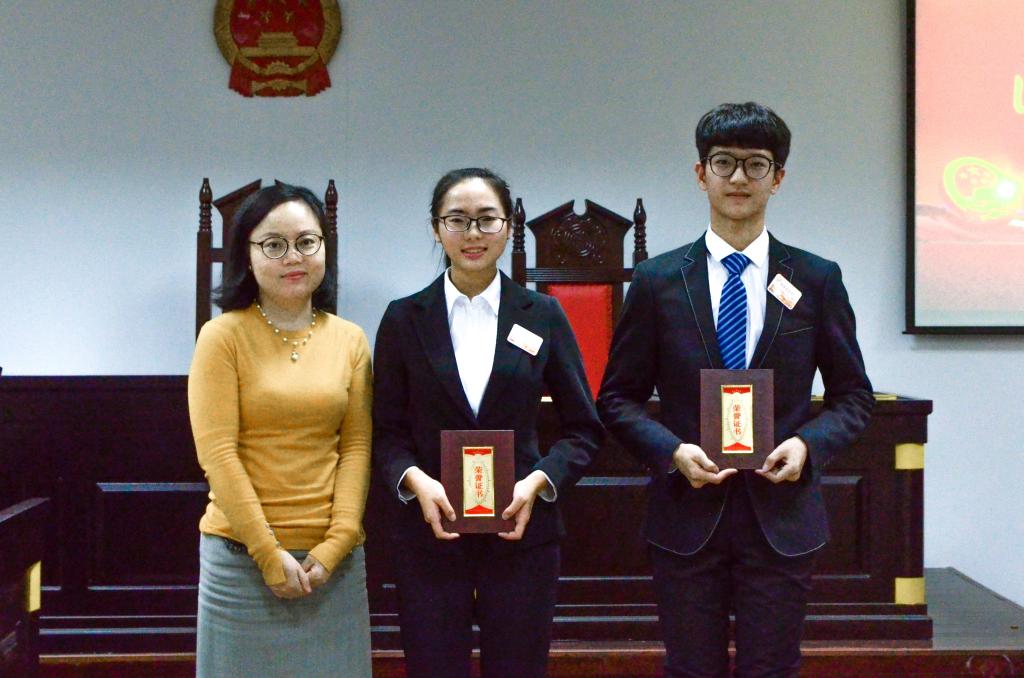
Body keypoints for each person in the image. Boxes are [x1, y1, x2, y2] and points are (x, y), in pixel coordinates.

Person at [597, 102, 873, 677]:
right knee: (690, 670)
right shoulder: (657, 281)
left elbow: (852, 396)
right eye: (724, 162)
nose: (739, 177)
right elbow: (617, 399)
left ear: (779, 177)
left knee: (771, 670)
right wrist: (673, 451)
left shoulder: (816, 278)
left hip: (781, 517)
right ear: (701, 174)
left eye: (756, 164)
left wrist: (807, 445)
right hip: (686, 514)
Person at [372, 167, 604, 678]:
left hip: (522, 535)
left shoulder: (542, 314)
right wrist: (414, 481)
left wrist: (540, 481)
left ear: (508, 227)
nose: (472, 233)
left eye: (486, 219)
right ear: (436, 228)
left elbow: (584, 429)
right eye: (457, 220)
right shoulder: (404, 318)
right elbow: (384, 433)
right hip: (430, 536)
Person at [188, 183, 372, 677]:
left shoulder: (350, 340)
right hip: (241, 561)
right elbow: (218, 454)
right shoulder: (221, 336)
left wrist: (337, 543)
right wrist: (268, 554)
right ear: (247, 257)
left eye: (307, 242)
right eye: (274, 244)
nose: (293, 257)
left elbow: (356, 448)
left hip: (334, 565)